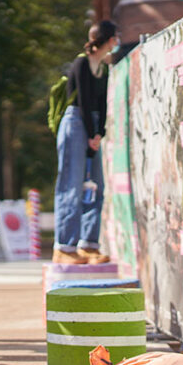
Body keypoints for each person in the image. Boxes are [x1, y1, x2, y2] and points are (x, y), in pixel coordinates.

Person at [53, 20, 118, 265]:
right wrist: (92, 134)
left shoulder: (104, 67)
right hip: (75, 123)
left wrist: (99, 133)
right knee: (71, 184)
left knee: (95, 185)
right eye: (115, 38)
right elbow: (84, 101)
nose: (116, 42)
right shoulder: (82, 63)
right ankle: (65, 246)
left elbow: (101, 105)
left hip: (91, 128)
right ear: (108, 39)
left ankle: (89, 244)